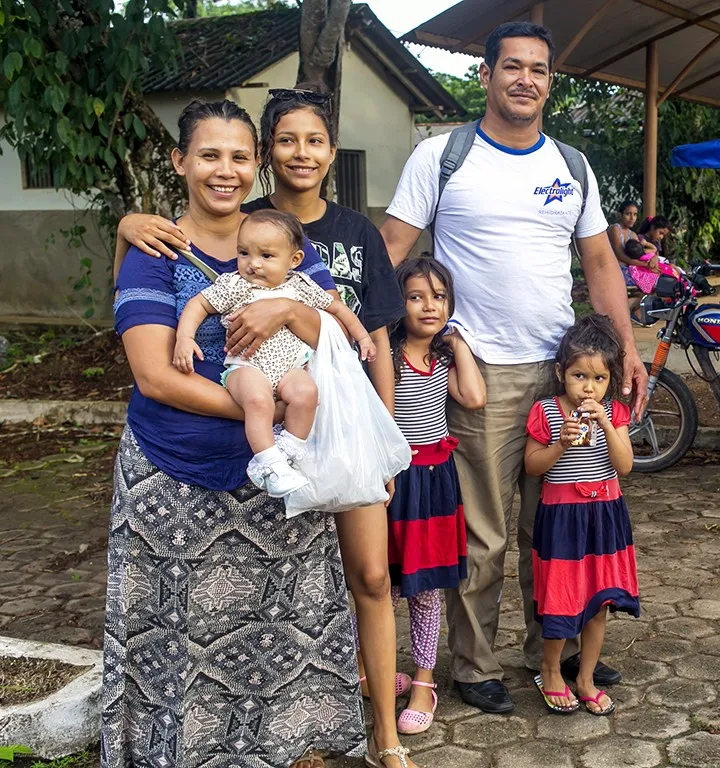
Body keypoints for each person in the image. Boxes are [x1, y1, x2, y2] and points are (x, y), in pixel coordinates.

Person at [116, 84, 416, 768]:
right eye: (208, 155)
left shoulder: (280, 246)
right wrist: (268, 409)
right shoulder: (155, 251)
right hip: (177, 475)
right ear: (180, 162)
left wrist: (289, 327)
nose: (224, 170)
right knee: (181, 636)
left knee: (273, 634)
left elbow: (336, 336)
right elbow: (156, 377)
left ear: (256, 167)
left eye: (238, 157)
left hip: (279, 481)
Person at [381, 22, 648, 716]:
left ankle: (548, 651)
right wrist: (362, 341)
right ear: (486, 76)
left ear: (550, 83)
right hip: (478, 373)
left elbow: (598, 264)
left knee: (552, 524)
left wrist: (625, 351)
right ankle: (473, 663)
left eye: (539, 70)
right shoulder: (442, 156)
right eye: (512, 67)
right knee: (483, 530)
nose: (525, 79)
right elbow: (392, 247)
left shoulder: (572, 165)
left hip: (565, 371)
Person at [173, 208, 377, 496]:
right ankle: (268, 462)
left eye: (266, 256)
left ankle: (290, 451)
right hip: (245, 368)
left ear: (294, 260)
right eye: (244, 253)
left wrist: (363, 337)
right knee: (258, 401)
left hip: (290, 369)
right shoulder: (235, 284)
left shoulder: (301, 286)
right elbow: (198, 305)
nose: (253, 264)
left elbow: (338, 309)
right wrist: (184, 337)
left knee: (308, 394)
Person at [386, 258, 485, 734]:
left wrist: (459, 343)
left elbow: (474, 397)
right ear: (397, 301)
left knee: (425, 589)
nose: (429, 306)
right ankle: (378, 670)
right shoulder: (385, 354)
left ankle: (425, 680)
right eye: (416, 296)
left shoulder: (445, 358)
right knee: (381, 586)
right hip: (391, 480)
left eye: (439, 296)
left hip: (435, 482)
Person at [524, 314, 640, 716]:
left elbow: (624, 466)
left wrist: (607, 425)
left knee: (598, 601)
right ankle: (551, 669)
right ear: (561, 373)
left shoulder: (616, 414)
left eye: (599, 379)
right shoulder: (547, 411)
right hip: (562, 520)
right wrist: (559, 444)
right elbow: (533, 466)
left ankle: (586, 677)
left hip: (605, 516)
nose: (588, 387)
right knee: (560, 599)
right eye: (578, 376)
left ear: (610, 382)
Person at [607, 201, 652, 323]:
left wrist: (652, 260)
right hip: (618, 270)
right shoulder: (615, 229)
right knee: (651, 283)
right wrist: (642, 264)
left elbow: (643, 253)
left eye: (635, 214)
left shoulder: (633, 234)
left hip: (632, 270)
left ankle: (631, 312)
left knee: (655, 281)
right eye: (628, 214)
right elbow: (620, 255)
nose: (632, 218)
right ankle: (620, 312)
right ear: (620, 214)